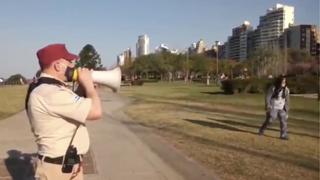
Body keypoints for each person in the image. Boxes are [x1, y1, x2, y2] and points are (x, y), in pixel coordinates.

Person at [26, 43, 102, 179]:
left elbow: (70, 105)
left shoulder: (48, 89)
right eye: (69, 62)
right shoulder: (51, 92)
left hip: (65, 165)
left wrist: (83, 89)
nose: (73, 66)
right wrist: (89, 87)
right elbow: (96, 112)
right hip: (59, 171)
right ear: (58, 66)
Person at [258, 75, 290, 140]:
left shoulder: (286, 90)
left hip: (281, 108)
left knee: (283, 120)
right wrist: (268, 106)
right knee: (270, 120)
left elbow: (287, 100)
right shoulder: (273, 88)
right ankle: (262, 129)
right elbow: (268, 97)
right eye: (283, 81)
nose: (284, 82)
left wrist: (286, 111)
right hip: (273, 107)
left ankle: (283, 135)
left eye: (285, 81)